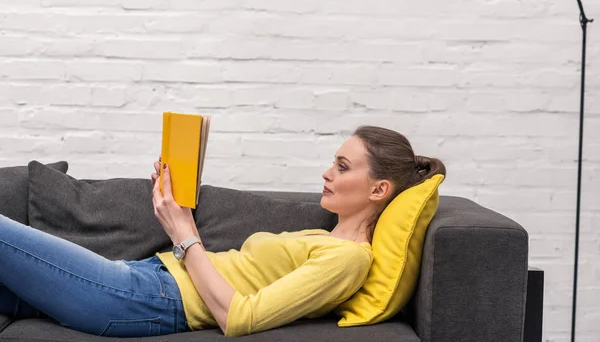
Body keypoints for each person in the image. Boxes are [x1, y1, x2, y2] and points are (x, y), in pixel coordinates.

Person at [0, 125, 445, 337]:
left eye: (343, 167)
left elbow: (240, 317)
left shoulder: (349, 258)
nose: (327, 173)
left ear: (379, 189)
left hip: (146, 297)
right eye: (333, 161)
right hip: (143, 278)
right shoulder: (324, 237)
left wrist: (183, 231)